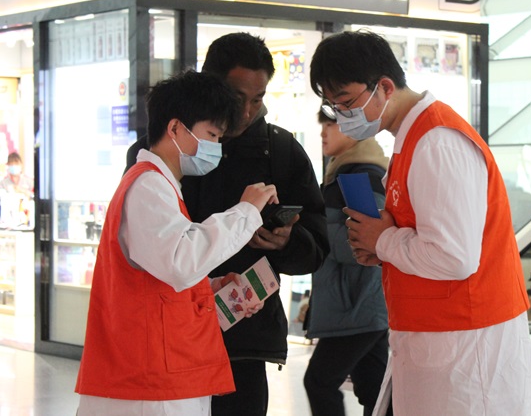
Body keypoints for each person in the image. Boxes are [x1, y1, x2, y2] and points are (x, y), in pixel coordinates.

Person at [309, 30, 531, 415]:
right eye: (333, 105)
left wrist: (384, 240)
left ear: (384, 87)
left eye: (347, 102)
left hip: (467, 342)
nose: (341, 115)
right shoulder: (410, 139)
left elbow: (455, 257)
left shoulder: (437, 142)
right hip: (438, 337)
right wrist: (382, 249)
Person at [125, 32, 328, 416]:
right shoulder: (159, 156)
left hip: (243, 342)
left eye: (258, 99)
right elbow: (168, 256)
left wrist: (286, 242)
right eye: (237, 98)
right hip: (171, 339)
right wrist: (243, 215)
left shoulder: (281, 151)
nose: (247, 112)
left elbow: (317, 246)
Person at [75, 70, 278, 416]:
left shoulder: (159, 186)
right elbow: (181, 263)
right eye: (211, 135)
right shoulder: (148, 187)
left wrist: (209, 288)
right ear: (175, 128)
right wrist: (245, 212)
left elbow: (160, 274)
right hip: (148, 382)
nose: (215, 147)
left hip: (160, 376)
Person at [303, 106, 391, 416]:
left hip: (358, 308)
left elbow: (367, 245)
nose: (323, 133)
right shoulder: (343, 173)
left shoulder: (360, 177)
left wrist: (315, 228)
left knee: (319, 382)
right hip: (360, 307)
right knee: (375, 391)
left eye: (331, 125)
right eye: (323, 125)